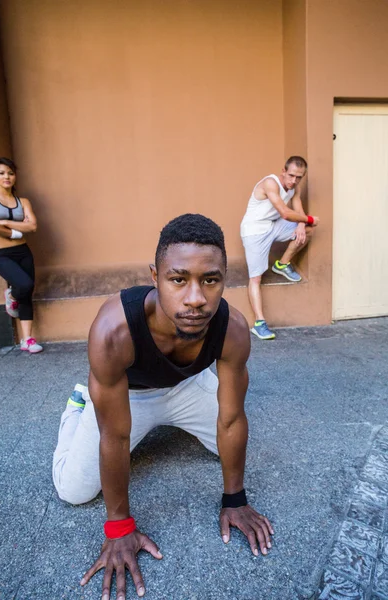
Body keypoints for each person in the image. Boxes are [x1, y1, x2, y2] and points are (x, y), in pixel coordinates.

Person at [53, 213, 274, 600]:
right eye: (178, 279)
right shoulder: (113, 331)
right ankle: (77, 405)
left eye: (210, 280)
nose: (195, 298)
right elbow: (115, 436)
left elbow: (232, 418)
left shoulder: (233, 329)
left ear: (224, 277)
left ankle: (174, 417)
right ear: (155, 276)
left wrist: (235, 499)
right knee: (74, 490)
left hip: (188, 385)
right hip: (131, 394)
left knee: (224, 446)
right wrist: (119, 527)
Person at [240, 156, 319, 340]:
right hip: (254, 231)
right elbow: (284, 212)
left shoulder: (295, 187)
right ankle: (259, 323)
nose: (294, 181)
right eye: (291, 175)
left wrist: (302, 224)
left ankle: (282, 264)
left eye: (299, 177)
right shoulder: (270, 183)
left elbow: (297, 208)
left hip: (274, 225)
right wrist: (308, 219)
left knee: (307, 231)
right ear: (283, 171)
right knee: (255, 278)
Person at [0, 157, 43, 353]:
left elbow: (33, 226)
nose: (7, 177)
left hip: (23, 252)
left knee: (27, 292)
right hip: (1, 254)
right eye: (2, 173)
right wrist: (15, 232)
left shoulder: (23, 201)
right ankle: (11, 294)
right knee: (23, 285)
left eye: (10, 173)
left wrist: (5, 223)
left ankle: (27, 339)